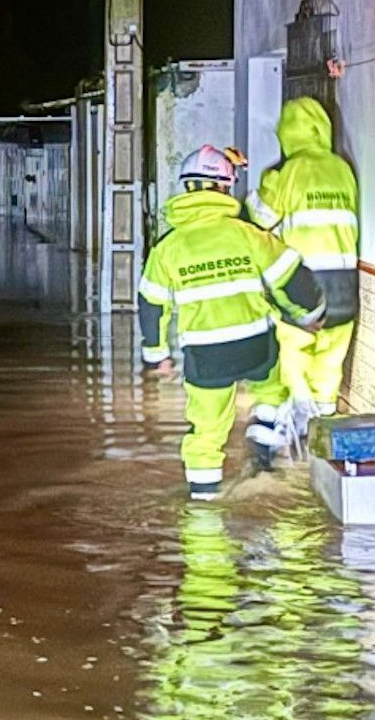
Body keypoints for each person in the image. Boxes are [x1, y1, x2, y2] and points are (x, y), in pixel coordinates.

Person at [139, 145, 327, 498]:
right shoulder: (247, 234)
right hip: (257, 346)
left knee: (206, 431)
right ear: (225, 187)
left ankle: (204, 509)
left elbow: (151, 304)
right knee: (273, 388)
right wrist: (310, 315)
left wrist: (156, 354)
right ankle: (262, 442)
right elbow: (294, 277)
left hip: (205, 357)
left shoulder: (167, 247)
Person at [246, 97, 361, 438]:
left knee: (293, 352)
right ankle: (323, 430)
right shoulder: (342, 168)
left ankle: (292, 424)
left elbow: (261, 219)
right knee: (331, 356)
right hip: (345, 282)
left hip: (304, 282)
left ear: (286, 134)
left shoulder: (287, 172)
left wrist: (264, 184)